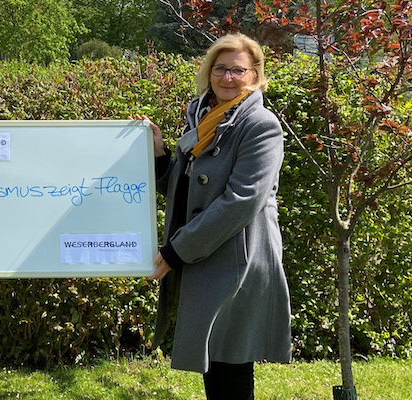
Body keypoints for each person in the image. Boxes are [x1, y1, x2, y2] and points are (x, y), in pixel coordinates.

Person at [136, 33, 292, 399]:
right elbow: (189, 189)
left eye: (238, 70)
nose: (227, 78)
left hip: (239, 257)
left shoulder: (261, 125)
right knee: (215, 362)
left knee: (232, 362)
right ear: (209, 73)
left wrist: (177, 250)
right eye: (220, 68)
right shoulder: (203, 117)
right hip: (208, 255)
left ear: (255, 75)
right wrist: (160, 155)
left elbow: (243, 200)